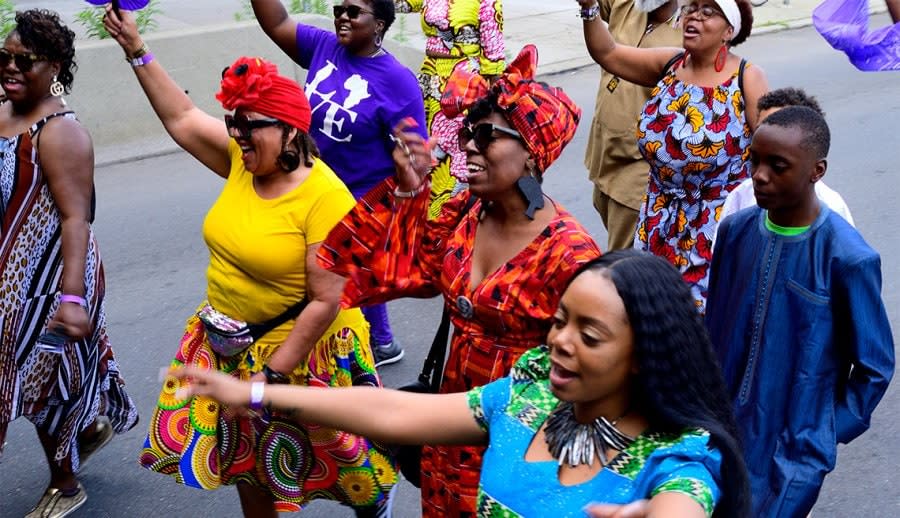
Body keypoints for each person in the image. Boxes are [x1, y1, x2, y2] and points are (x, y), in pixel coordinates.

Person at [172, 250, 751, 518]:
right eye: (559, 321)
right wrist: (255, 393)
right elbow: (392, 413)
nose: (561, 341)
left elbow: (682, 508)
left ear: (641, 358)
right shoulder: (529, 399)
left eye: (590, 335)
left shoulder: (674, 459)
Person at [103, 8, 397, 517]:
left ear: (288, 130)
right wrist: (136, 50)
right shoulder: (244, 161)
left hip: (300, 354)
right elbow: (180, 118)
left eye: (249, 125)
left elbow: (326, 300)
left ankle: (378, 503)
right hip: (227, 343)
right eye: (232, 123)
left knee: (348, 473)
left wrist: (271, 379)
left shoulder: (325, 197)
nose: (237, 135)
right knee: (250, 466)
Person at [318, 45, 601, 516]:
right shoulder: (466, 213)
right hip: (448, 435)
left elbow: (590, 381)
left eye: (486, 135)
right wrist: (407, 190)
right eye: (469, 132)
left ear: (532, 154)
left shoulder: (569, 255)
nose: (468, 144)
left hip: (518, 446)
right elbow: (377, 274)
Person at [705, 106, 895, 517]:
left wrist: (822, 434)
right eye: (754, 160)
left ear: (816, 170)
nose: (759, 175)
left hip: (790, 453)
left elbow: (874, 367)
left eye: (778, 166)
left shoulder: (848, 257)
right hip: (717, 433)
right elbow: (713, 327)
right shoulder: (735, 233)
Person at [0, 9, 139, 518]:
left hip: (51, 282)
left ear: (54, 66)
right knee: (37, 379)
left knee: (44, 385)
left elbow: (75, 220)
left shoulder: (60, 132)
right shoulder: (3, 110)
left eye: (24, 61)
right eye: (5, 58)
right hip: (7, 277)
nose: (10, 68)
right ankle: (88, 426)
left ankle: (65, 482)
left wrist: (72, 300)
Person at [250, 0, 429, 367]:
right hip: (313, 186)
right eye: (338, 8)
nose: (342, 17)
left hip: (360, 199)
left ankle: (367, 347)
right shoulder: (324, 47)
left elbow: (417, 155)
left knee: (341, 277)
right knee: (336, 276)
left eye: (353, 11)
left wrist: (397, 201)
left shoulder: (396, 80)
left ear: (378, 24)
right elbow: (277, 21)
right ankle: (381, 342)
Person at [576, 0, 768, 311]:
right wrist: (589, 10)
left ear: (729, 30)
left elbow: (772, 149)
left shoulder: (747, 77)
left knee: (699, 323)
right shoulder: (671, 64)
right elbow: (608, 52)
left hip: (712, 231)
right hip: (658, 221)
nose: (695, 16)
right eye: (691, 8)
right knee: (648, 314)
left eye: (708, 12)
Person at [583, 0, 681, 251]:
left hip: (637, 175)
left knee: (622, 266)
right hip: (604, 159)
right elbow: (597, 20)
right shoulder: (629, 4)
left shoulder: (689, 32)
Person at [393, 0, 505, 219]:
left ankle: (445, 223)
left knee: (453, 161)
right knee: (422, 154)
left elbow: (494, 58)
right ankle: (419, 220)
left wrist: (495, 110)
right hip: (429, 82)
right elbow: (397, 4)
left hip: (463, 89)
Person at [718, 87, 854, 230]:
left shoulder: (833, 209)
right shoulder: (739, 202)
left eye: (778, 166)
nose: (759, 176)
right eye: (760, 129)